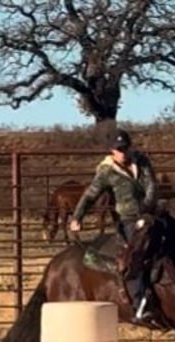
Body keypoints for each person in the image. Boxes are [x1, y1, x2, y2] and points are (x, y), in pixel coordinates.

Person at [69, 128, 159, 323]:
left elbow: (151, 185)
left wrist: (147, 209)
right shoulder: (106, 171)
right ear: (112, 151)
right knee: (133, 257)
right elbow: (90, 195)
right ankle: (139, 304)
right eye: (119, 149)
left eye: (125, 148)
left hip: (150, 214)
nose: (123, 152)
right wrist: (77, 217)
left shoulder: (141, 161)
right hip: (128, 220)